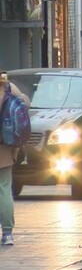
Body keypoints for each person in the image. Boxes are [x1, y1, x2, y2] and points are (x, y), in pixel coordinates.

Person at [0, 72, 29, 246]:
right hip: (5, 146)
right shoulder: (9, 88)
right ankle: (7, 233)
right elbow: (25, 103)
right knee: (4, 188)